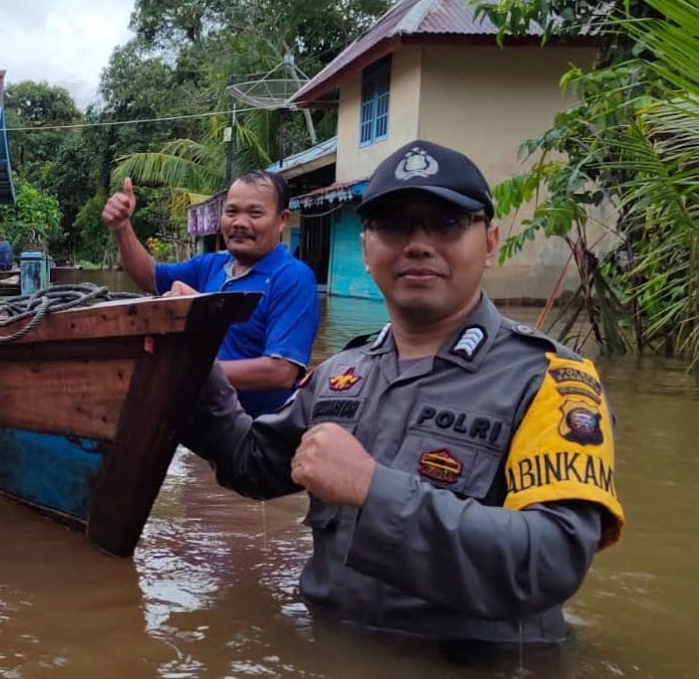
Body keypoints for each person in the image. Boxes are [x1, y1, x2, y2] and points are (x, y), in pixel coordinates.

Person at [181, 140, 625, 650]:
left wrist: (373, 490)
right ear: (367, 251)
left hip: (473, 663)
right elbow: (250, 463)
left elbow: (552, 560)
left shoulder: (549, 381)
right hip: (329, 652)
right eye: (394, 225)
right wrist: (188, 365)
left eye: (447, 223)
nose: (418, 244)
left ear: (490, 243)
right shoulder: (341, 374)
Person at [102, 171, 318, 415]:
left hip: (256, 427)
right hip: (207, 413)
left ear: (282, 220)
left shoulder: (293, 277)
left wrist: (187, 370)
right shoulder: (213, 265)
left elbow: (281, 372)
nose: (239, 222)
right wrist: (122, 227)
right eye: (231, 212)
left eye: (255, 213)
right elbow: (151, 278)